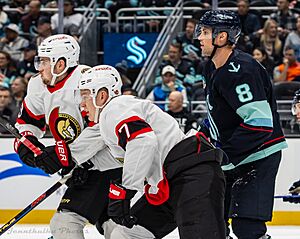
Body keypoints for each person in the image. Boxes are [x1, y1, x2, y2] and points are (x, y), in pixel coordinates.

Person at [78, 65, 226, 239]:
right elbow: (127, 155)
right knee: (124, 234)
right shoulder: (116, 115)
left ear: (101, 95)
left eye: (85, 96)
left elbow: (143, 141)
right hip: (169, 181)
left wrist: (126, 190)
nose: (82, 104)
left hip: (192, 176)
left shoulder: (114, 109)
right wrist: (88, 166)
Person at [13, 34, 122, 239]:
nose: (39, 67)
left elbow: (102, 128)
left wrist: (68, 156)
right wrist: (28, 145)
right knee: (112, 225)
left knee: (66, 223)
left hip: (109, 163)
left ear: (60, 64)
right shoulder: (37, 85)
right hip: (84, 166)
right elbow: (27, 122)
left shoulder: (88, 81)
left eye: (44, 62)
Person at [194, 10, 288, 239]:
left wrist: (223, 153)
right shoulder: (211, 67)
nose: (199, 37)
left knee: (247, 228)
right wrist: (201, 135)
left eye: (205, 32)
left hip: (260, 156)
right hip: (233, 156)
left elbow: (260, 124)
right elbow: (220, 113)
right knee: (213, 223)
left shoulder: (242, 70)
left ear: (222, 37)